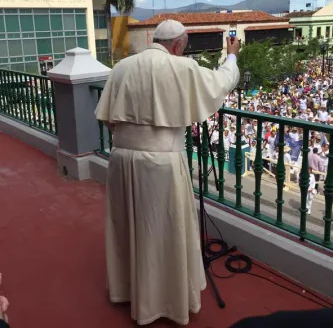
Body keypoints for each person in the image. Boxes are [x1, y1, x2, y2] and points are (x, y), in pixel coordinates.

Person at [95, 20, 240, 325]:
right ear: (178, 45)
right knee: (162, 233)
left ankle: (130, 291)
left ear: (154, 39)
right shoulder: (182, 67)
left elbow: (108, 119)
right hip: (160, 164)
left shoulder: (121, 67)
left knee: (130, 227)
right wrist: (232, 56)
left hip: (121, 160)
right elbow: (220, 83)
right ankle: (164, 302)